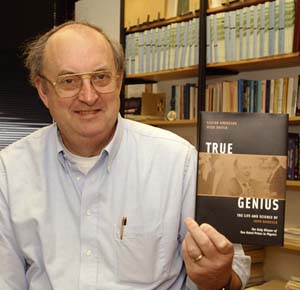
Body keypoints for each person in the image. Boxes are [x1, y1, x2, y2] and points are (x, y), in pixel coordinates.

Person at [0, 20, 250, 290]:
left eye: (101, 77)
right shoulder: (11, 169)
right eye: (69, 81)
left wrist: (217, 277)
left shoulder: (180, 162)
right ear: (43, 91)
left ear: (118, 81)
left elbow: (232, 268)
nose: (88, 96)